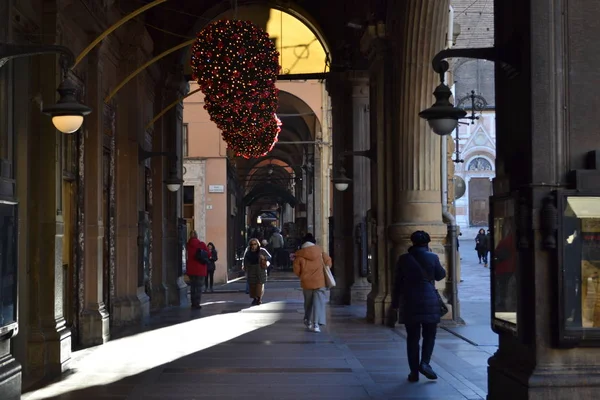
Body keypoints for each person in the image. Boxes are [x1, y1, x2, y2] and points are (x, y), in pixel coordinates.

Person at [391, 230, 446, 383]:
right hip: (429, 300)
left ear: (412, 242)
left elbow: (397, 283)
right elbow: (440, 275)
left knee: (412, 338)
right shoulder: (432, 257)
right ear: (427, 243)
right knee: (430, 335)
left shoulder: (403, 259)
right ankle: (425, 363)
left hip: (410, 301)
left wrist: (395, 303)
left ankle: (413, 373)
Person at [293, 233, 332, 333]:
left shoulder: (299, 255)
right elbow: (329, 263)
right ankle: (316, 324)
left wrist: (303, 275)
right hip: (320, 282)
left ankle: (307, 320)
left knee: (308, 303)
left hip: (306, 283)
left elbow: (296, 270)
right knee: (318, 303)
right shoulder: (320, 252)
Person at [243, 238, 271, 305]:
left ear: (257, 244)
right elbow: (245, 260)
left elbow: (269, 257)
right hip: (251, 270)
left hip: (260, 269)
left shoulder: (262, 250)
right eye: (252, 244)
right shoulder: (248, 251)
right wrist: (245, 268)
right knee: (252, 285)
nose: (253, 246)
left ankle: (258, 298)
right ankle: (254, 298)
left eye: (255, 244)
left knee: (259, 285)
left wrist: (264, 258)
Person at [186, 231, 209, 309]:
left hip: (191, 270)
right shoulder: (201, 244)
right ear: (197, 235)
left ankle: (193, 303)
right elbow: (208, 254)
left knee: (193, 286)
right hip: (200, 269)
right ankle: (197, 303)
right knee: (199, 287)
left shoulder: (188, 245)